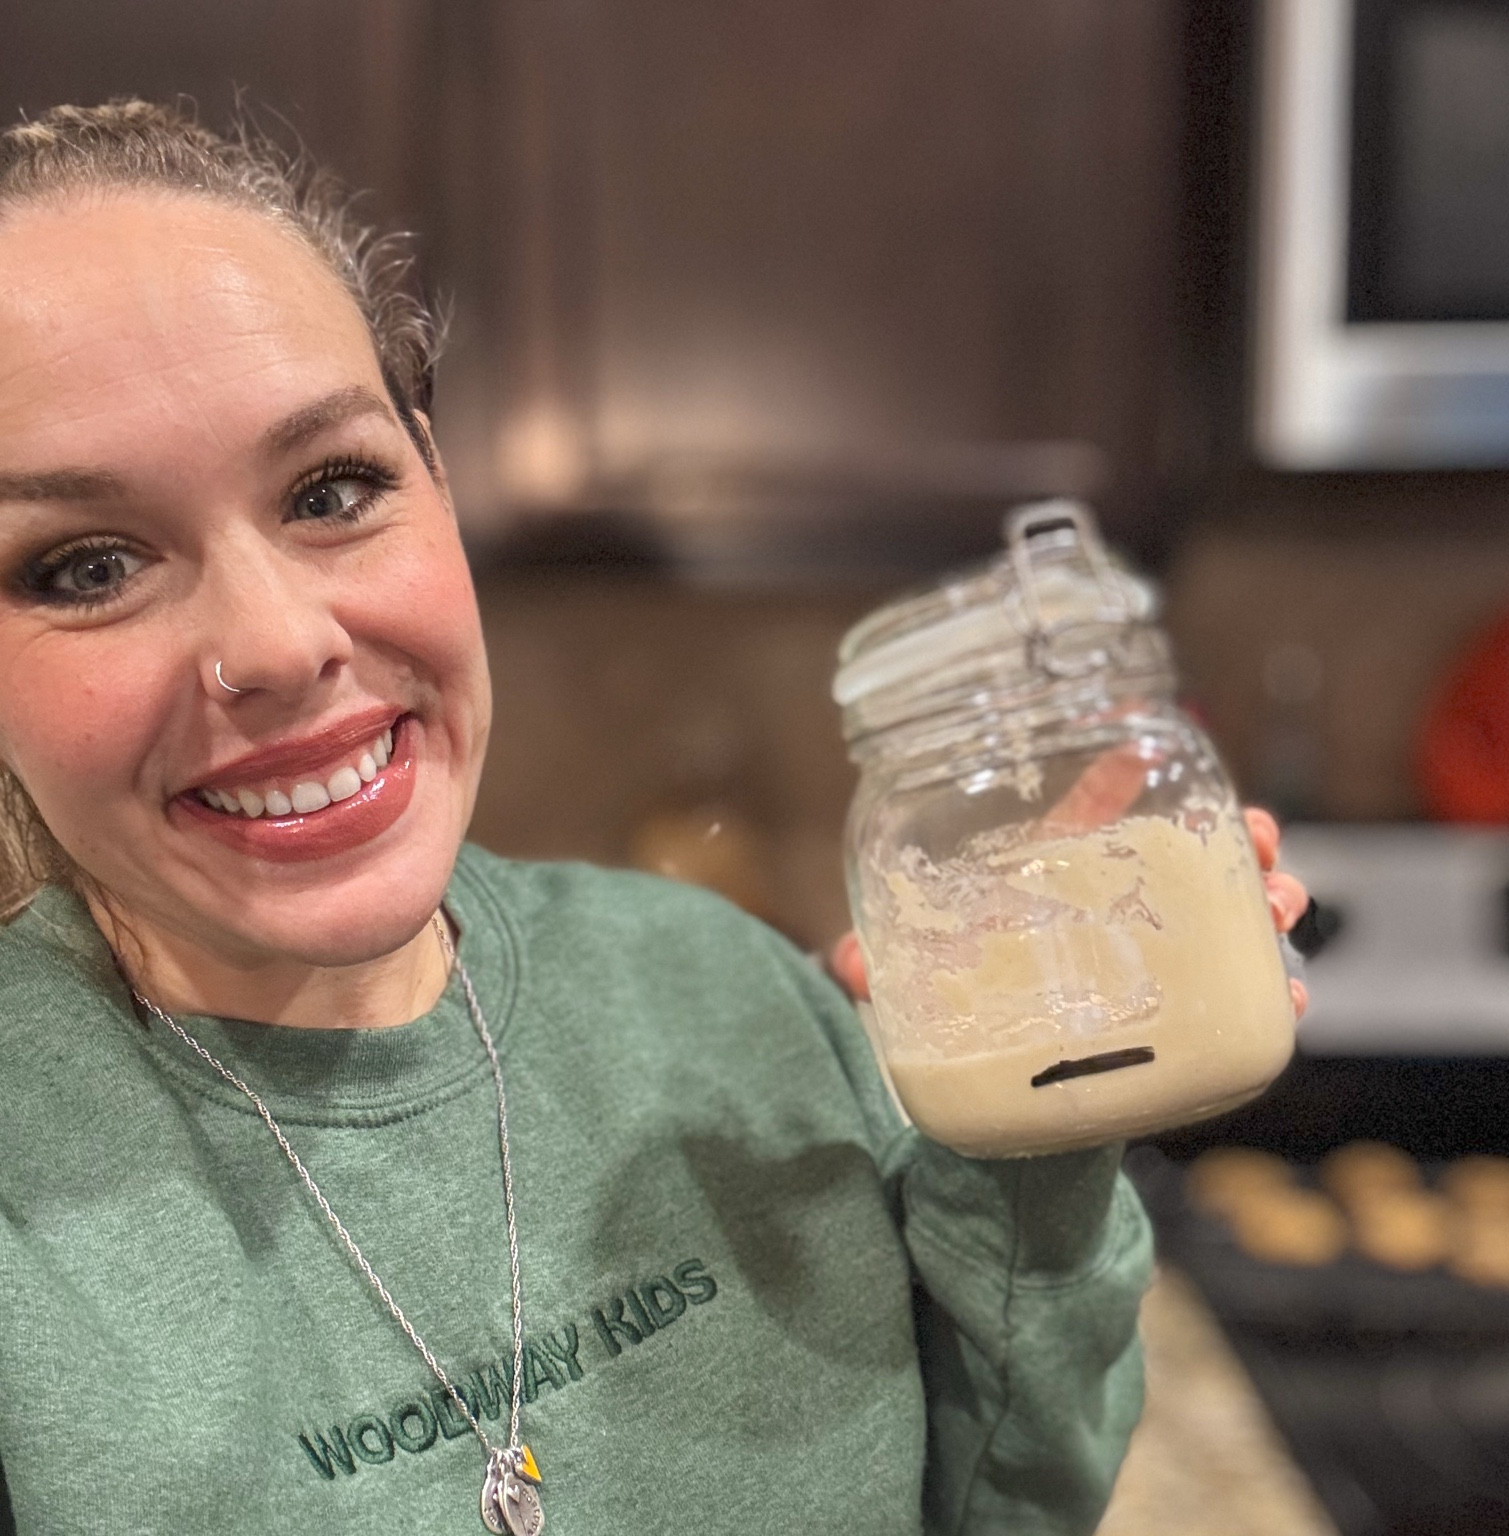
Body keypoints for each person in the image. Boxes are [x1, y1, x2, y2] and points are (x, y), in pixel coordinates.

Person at [0, 101, 1309, 1536]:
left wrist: (1035, 1138)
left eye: (333, 487)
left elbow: (996, 1506)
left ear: (434, 472)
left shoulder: (719, 992)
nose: (278, 643)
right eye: (86, 567)